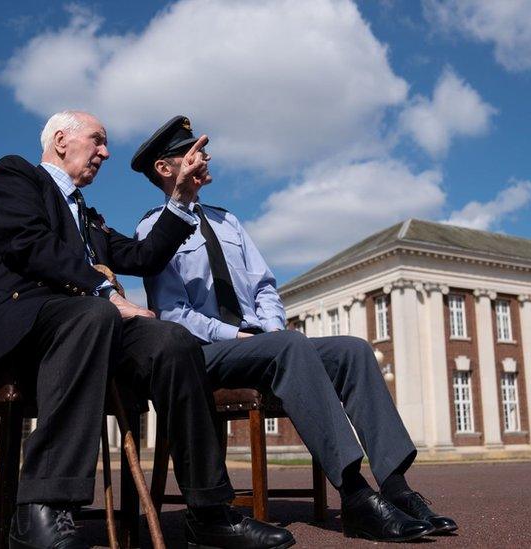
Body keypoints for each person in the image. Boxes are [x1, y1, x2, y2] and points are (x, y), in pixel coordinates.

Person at [0, 111, 294, 549]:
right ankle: (40, 509)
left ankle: (209, 511)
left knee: (172, 340)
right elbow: (29, 245)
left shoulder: (89, 219)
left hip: (81, 329)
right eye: (97, 140)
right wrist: (103, 290)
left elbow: (143, 257)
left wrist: (181, 198)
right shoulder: (16, 175)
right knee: (94, 314)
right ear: (61, 140)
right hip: (13, 326)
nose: (106, 152)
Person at [133, 116, 458, 543]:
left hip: (265, 344)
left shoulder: (229, 222)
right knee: (288, 346)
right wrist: (241, 339)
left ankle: (396, 489)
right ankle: (357, 496)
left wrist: (269, 329)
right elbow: (174, 314)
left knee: (353, 350)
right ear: (165, 168)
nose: (206, 157)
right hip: (206, 354)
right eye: (195, 152)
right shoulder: (154, 230)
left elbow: (265, 284)